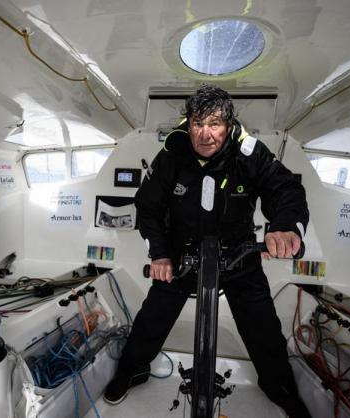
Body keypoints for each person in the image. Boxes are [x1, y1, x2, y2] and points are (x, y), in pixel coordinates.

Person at [104, 85, 311, 417]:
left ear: (229, 125)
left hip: (239, 256)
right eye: (197, 123)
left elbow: (285, 189)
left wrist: (284, 226)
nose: (205, 133)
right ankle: (132, 370)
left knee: (262, 326)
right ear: (188, 124)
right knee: (153, 318)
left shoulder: (250, 154)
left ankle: (279, 387)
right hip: (180, 256)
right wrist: (159, 254)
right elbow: (148, 208)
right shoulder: (172, 155)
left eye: (214, 123)